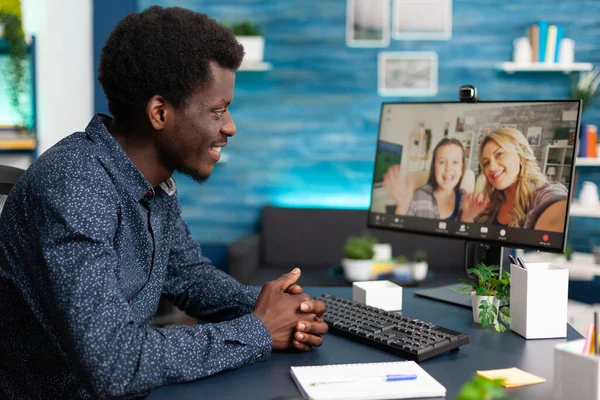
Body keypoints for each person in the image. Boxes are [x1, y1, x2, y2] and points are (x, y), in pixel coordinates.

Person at [0, 6, 328, 399]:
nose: (230, 127)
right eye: (218, 111)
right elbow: (114, 364)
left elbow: (189, 276)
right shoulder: (76, 186)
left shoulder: (151, 183)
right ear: (160, 112)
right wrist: (258, 328)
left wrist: (284, 309)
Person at [461, 127, 568, 232]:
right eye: (486, 163)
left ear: (521, 156)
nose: (492, 167)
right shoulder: (490, 204)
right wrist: (468, 219)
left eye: (499, 154)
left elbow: (557, 203)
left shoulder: (542, 195)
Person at [383, 138, 466, 220]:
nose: (448, 168)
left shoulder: (467, 202)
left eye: (455, 162)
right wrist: (402, 205)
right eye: (442, 162)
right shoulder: (418, 197)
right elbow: (399, 231)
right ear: (434, 167)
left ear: (462, 168)